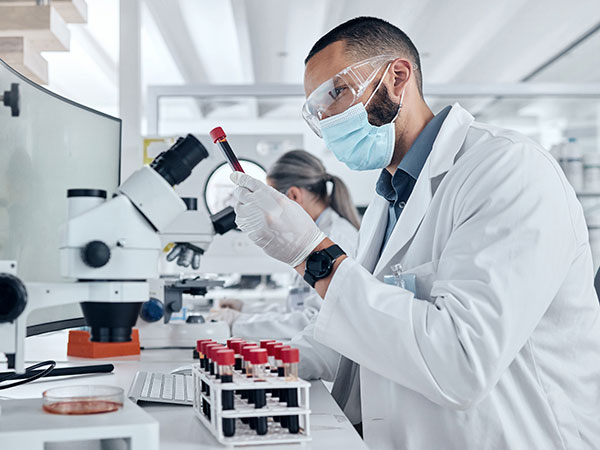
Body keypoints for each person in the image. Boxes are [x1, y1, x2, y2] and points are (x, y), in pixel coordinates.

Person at [229, 16, 600, 450]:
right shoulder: (389, 201)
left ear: (397, 77)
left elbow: (462, 361)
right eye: (316, 110)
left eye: (335, 93)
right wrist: (246, 361)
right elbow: (351, 335)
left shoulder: (509, 170)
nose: (327, 119)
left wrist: (313, 254)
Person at [211, 149, 359, 384]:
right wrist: (246, 311)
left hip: (328, 375)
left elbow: (316, 319)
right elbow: (298, 304)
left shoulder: (337, 239)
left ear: (293, 196)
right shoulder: (314, 234)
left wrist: (237, 324)